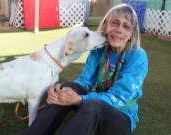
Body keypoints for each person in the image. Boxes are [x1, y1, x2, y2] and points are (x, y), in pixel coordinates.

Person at [22, 3, 148, 135]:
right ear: (106, 25)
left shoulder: (138, 56)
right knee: (67, 87)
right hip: (92, 106)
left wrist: (79, 99)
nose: (119, 29)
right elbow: (84, 81)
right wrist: (60, 90)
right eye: (115, 23)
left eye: (126, 26)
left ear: (132, 33)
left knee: (93, 105)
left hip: (121, 117)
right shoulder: (99, 50)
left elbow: (120, 97)